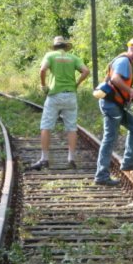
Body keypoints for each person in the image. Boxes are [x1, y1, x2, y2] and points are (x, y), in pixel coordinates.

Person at [94, 35, 133, 186]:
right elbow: (116, 79)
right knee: (110, 138)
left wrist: (130, 96)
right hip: (111, 104)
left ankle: (129, 162)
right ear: (131, 48)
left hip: (116, 103)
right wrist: (130, 91)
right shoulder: (123, 61)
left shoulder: (127, 62)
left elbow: (119, 84)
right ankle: (101, 175)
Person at [29, 36, 90, 171]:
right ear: (65, 46)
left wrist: (43, 85)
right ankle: (71, 159)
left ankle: (44, 159)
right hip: (71, 96)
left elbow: (43, 70)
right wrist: (76, 83)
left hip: (55, 95)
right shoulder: (73, 58)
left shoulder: (50, 55)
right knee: (71, 127)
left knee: (46, 125)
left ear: (55, 46)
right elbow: (86, 71)